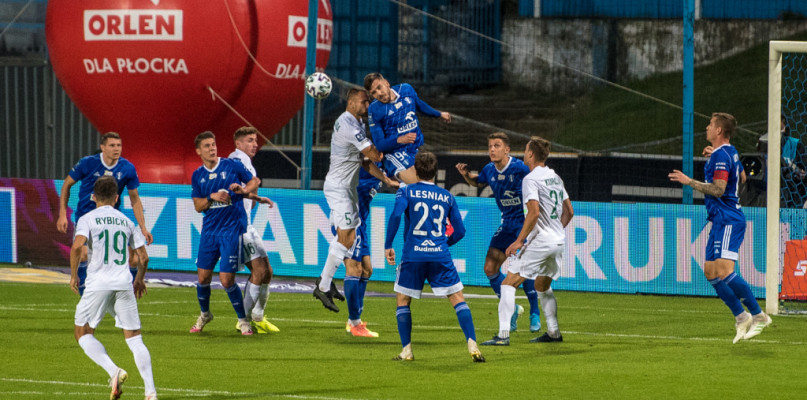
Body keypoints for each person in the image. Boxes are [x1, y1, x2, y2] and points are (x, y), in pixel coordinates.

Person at [669, 112, 772, 343]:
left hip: (728, 218)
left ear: (718, 131)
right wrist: (716, 156)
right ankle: (741, 316)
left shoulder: (723, 156)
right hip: (719, 219)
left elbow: (718, 189)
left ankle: (758, 315)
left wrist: (689, 181)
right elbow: (743, 177)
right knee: (710, 272)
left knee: (725, 271)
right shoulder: (729, 152)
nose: (706, 128)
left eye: (710, 125)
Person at [385, 151, 485, 362]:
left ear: (415, 169)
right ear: (434, 171)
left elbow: (395, 215)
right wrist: (442, 244)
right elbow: (460, 231)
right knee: (457, 298)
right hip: (440, 254)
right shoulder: (447, 196)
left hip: (413, 255)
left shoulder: (406, 192)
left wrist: (388, 245)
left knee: (403, 299)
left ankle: (407, 350)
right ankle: (472, 342)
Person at [480, 136, 573, 346]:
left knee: (507, 284)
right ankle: (554, 332)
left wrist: (519, 241)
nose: (523, 154)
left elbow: (533, 213)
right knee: (542, 285)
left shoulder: (530, 179)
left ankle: (503, 336)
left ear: (531, 154)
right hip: (558, 241)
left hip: (541, 241)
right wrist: (555, 232)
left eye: (525, 150)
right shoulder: (555, 177)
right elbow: (569, 211)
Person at [70, 176, 157, 400]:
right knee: (135, 338)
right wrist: (139, 279)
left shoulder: (87, 219)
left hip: (97, 285)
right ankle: (150, 393)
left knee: (82, 333)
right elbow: (143, 257)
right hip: (123, 284)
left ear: (93, 196)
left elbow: (77, 247)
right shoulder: (127, 221)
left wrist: (73, 276)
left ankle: (113, 371)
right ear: (117, 198)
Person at [314, 89, 389, 340]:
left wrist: (386, 179)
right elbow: (374, 155)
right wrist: (395, 145)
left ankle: (327, 287)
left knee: (363, 264)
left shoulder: (358, 123)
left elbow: (367, 162)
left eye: (369, 101)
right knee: (348, 245)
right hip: (339, 189)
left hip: (346, 191)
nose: (367, 104)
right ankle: (325, 288)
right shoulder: (348, 122)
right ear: (351, 102)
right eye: (364, 100)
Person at [455, 132, 542, 333]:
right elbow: (478, 182)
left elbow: (537, 183)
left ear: (507, 149)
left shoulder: (520, 168)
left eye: (496, 145)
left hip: (525, 224)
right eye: (490, 146)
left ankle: (534, 313)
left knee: (524, 270)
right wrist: (467, 176)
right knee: (490, 268)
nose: (492, 150)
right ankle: (510, 311)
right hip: (507, 225)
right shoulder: (489, 169)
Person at [57, 132, 153, 295]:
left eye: (119, 145)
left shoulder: (127, 168)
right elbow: (67, 184)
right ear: (103, 147)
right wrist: (62, 214)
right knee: (84, 254)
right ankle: (85, 297)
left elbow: (135, 199)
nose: (116, 149)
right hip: (86, 217)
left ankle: (129, 293)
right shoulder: (88, 163)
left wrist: (143, 228)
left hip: (111, 219)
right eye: (112, 145)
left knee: (133, 258)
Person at [189, 131, 261, 336]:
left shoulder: (231, 165)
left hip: (231, 230)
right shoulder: (197, 175)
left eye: (213, 145)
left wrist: (244, 189)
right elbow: (197, 206)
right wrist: (211, 197)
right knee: (202, 278)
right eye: (207, 146)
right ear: (198, 151)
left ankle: (243, 321)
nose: (212, 149)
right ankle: (205, 314)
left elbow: (255, 181)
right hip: (210, 231)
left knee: (227, 279)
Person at [228, 126, 279, 334]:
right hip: (238, 226)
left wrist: (253, 197)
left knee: (268, 272)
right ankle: (244, 320)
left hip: (247, 224)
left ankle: (258, 316)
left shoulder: (245, 162)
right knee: (259, 271)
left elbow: (245, 189)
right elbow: (234, 190)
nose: (255, 144)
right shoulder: (236, 160)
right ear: (238, 144)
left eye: (255, 140)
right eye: (249, 140)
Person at [364, 72, 451, 184]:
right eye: (374, 93)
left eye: (379, 88)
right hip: (394, 153)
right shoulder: (374, 109)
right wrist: (399, 140)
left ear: (386, 83)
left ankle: (404, 192)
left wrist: (439, 114)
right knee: (418, 184)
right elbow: (380, 144)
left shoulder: (406, 90)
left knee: (428, 184)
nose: (379, 93)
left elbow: (419, 105)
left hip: (415, 149)